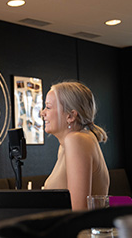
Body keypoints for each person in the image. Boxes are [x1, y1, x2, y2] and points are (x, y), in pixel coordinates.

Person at [40, 81, 109, 210]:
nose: (42, 113)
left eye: (48, 107)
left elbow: (78, 210)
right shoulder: (67, 145)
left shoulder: (76, 140)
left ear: (70, 116)